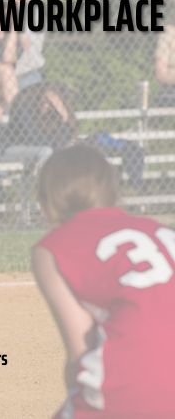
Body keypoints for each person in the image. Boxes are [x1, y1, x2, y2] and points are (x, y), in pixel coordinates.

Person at [33, 145, 175, 417]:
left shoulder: (54, 248)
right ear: (112, 191)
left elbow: (79, 353)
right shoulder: (159, 230)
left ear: (47, 202)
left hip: (135, 387)